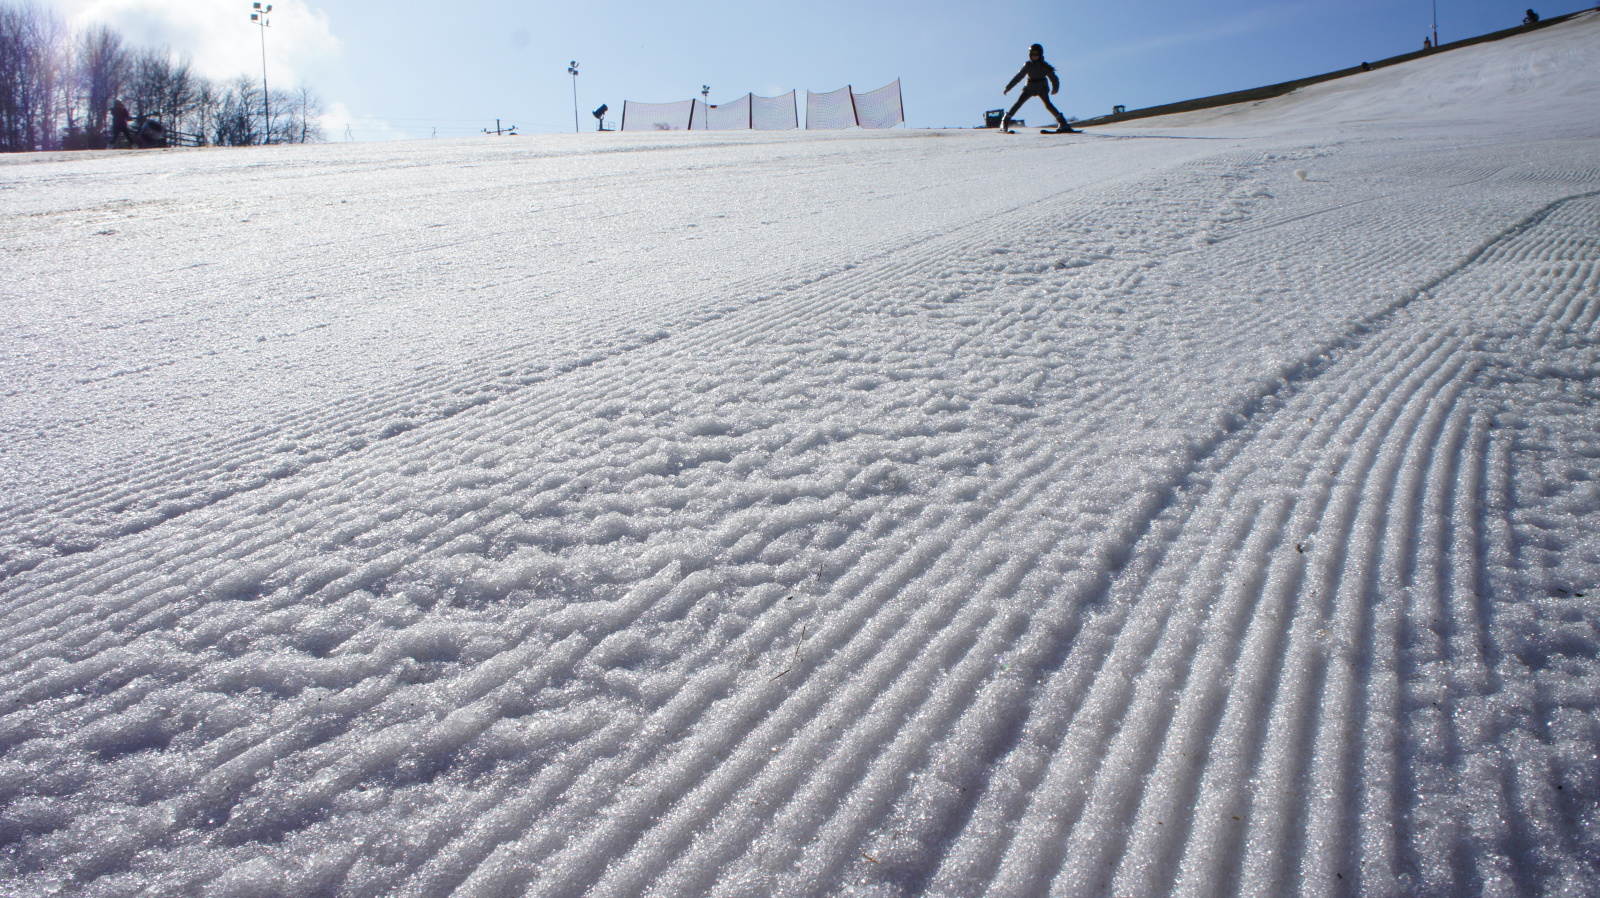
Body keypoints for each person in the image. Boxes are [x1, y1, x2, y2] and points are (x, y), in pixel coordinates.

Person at [1002, 44, 1075, 133]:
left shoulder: (1044, 66)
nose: (1034, 56)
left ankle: (1063, 123)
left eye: (1036, 54)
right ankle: (1005, 122)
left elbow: (1054, 78)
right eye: (1032, 54)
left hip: (1042, 88)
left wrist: (1055, 88)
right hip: (1029, 88)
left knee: (1048, 105)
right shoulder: (1028, 65)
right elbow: (1018, 77)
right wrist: (1008, 87)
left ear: (1040, 54)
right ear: (1030, 55)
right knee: (1018, 103)